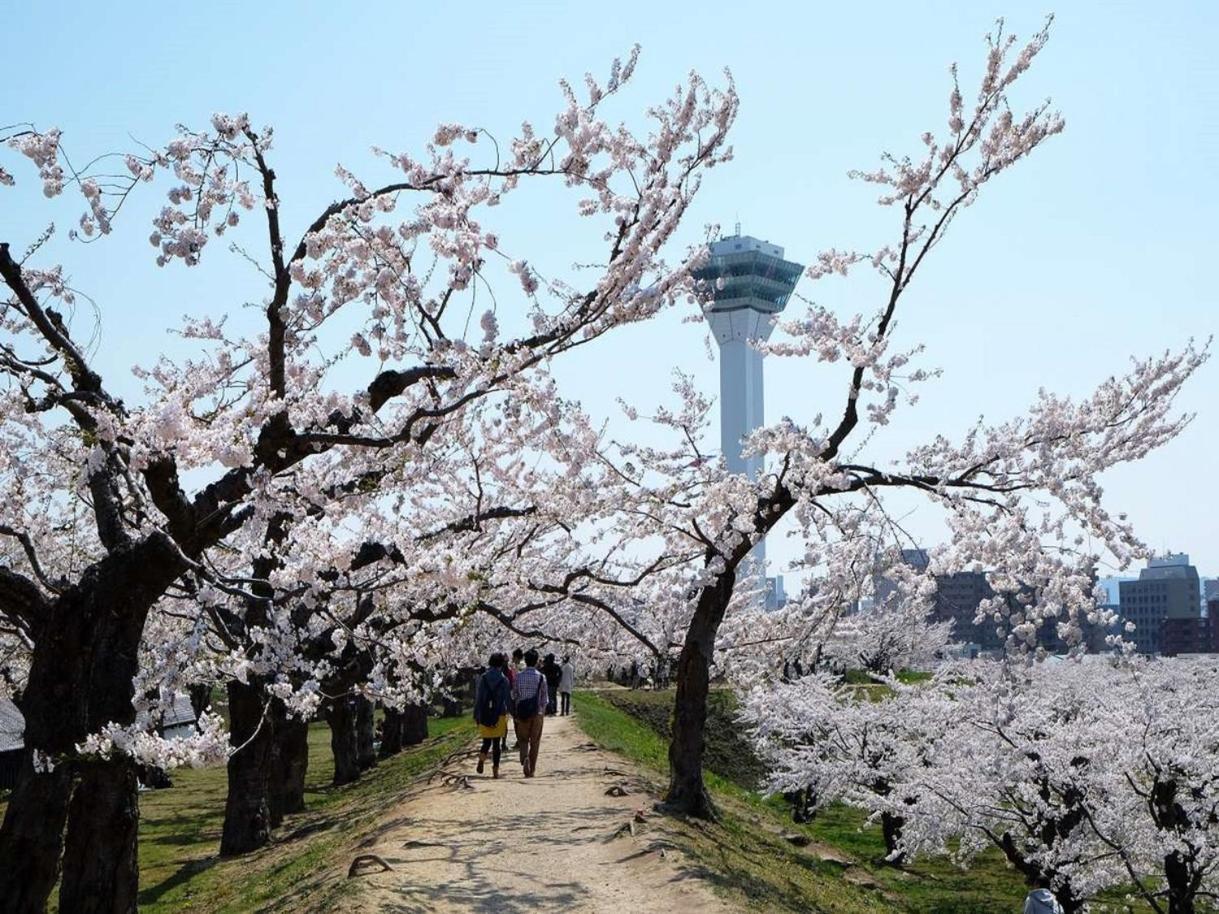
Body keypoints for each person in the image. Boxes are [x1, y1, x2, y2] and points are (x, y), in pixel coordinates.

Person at [473, 653, 510, 779]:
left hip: (485, 713)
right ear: (501, 664)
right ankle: (495, 770)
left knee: (486, 742)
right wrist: (513, 713)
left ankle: (482, 760)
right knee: (497, 744)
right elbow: (507, 699)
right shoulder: (504, 680)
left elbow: (479, 698)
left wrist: (476, 714)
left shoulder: (483, 678)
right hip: (499, 714)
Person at [511, 649, 548, 777]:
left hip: (523, 712)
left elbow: (514, 695)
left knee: (523, 739)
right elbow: (545, 698)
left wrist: (516, 709)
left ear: (525, 661)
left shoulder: (519, 677)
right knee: (535, 741)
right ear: (536, 661)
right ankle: (531, 768)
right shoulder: (541, 677)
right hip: (537, 712)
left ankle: (524, 757)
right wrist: (542, 711)